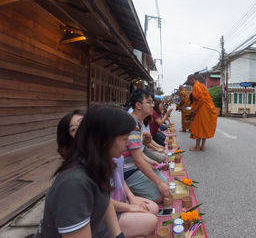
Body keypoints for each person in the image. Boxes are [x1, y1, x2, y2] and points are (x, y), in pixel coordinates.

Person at [35, 105, 134, 238]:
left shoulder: (97, 164)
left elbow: (106, 201)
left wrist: (118, 235)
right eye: (124, 138)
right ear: (104, 140)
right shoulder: (74, 183)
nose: (127, 144)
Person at [124, 90, 170, 203]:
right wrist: (158, 183)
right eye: (149, 102)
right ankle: (129, 194)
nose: (152, 106)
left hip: (136, 166)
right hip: (128, 170)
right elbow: (138, 160)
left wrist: (149, 160)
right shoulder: (132, 125)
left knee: (167, 187)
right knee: (162, 196)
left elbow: (137, 152)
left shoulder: (137, 122)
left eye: (153, 103)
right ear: (138, 105)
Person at [187, 74, 218, 151]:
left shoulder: (196, 86)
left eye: (188, 81)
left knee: (198, 127)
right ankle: (202, 146)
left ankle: (197, 147)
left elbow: (201, 99)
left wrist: (195, 109)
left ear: (191, 79)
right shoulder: (202, 85)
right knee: (204, 127)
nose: (188, 83)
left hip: (201, 110)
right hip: (207, 109)